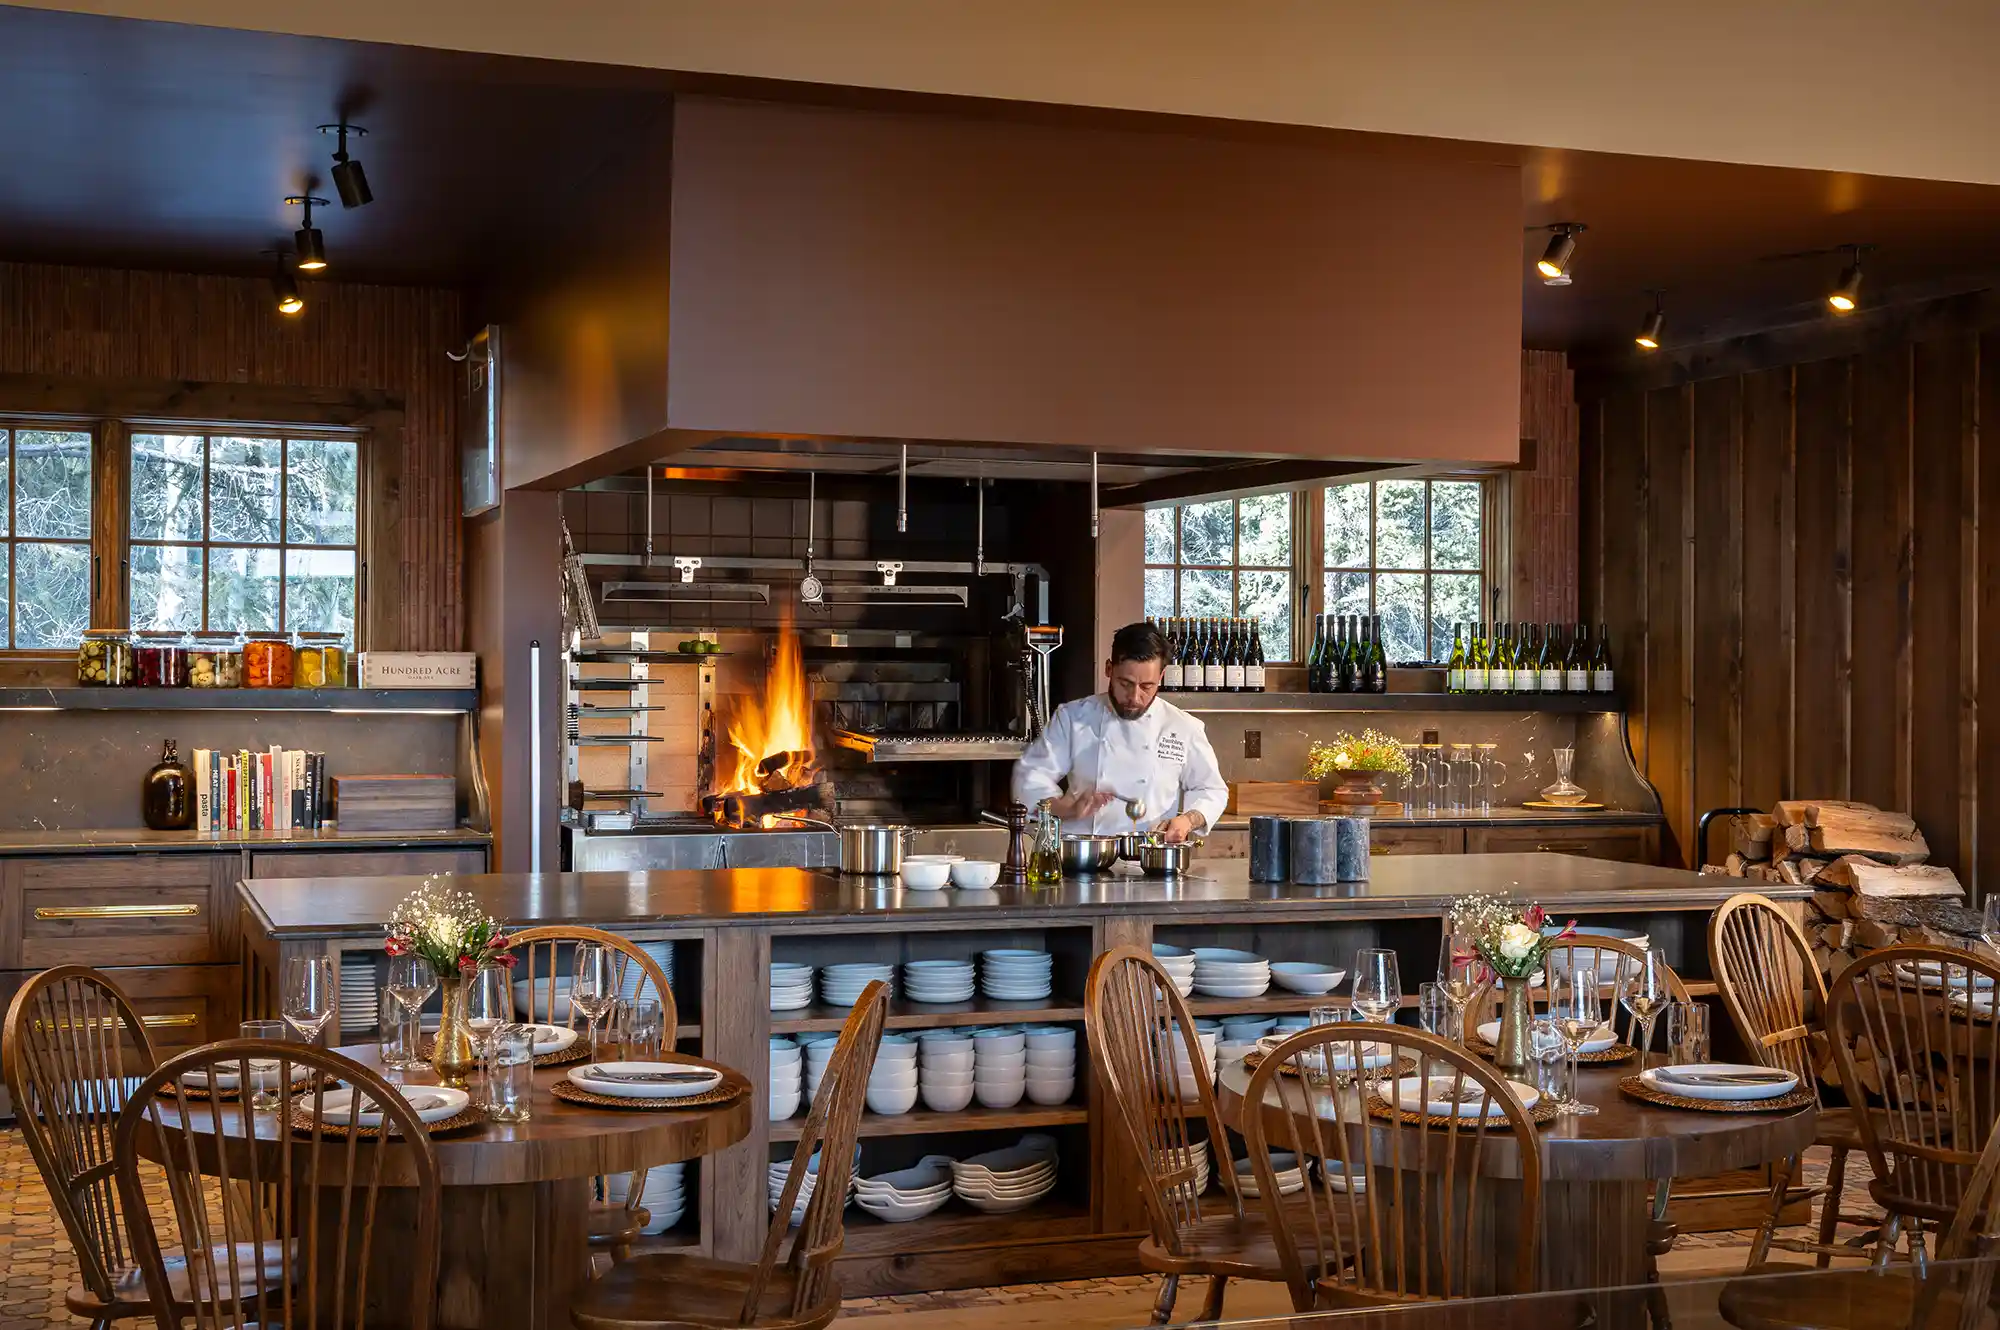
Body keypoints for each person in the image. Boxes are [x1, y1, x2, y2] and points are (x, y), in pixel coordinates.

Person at [1011, 621, 1227, 842]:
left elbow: (1212, 790)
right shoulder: (1073, 717)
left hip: (1150, 857)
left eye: (1147, 686)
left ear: (1161, 678)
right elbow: (1030, 778)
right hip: (1084, 854)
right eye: (1125, 683)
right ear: (1109, 669)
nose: (1135, 697)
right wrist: (1067, 808)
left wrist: (1188, 820)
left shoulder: (1183, 727)